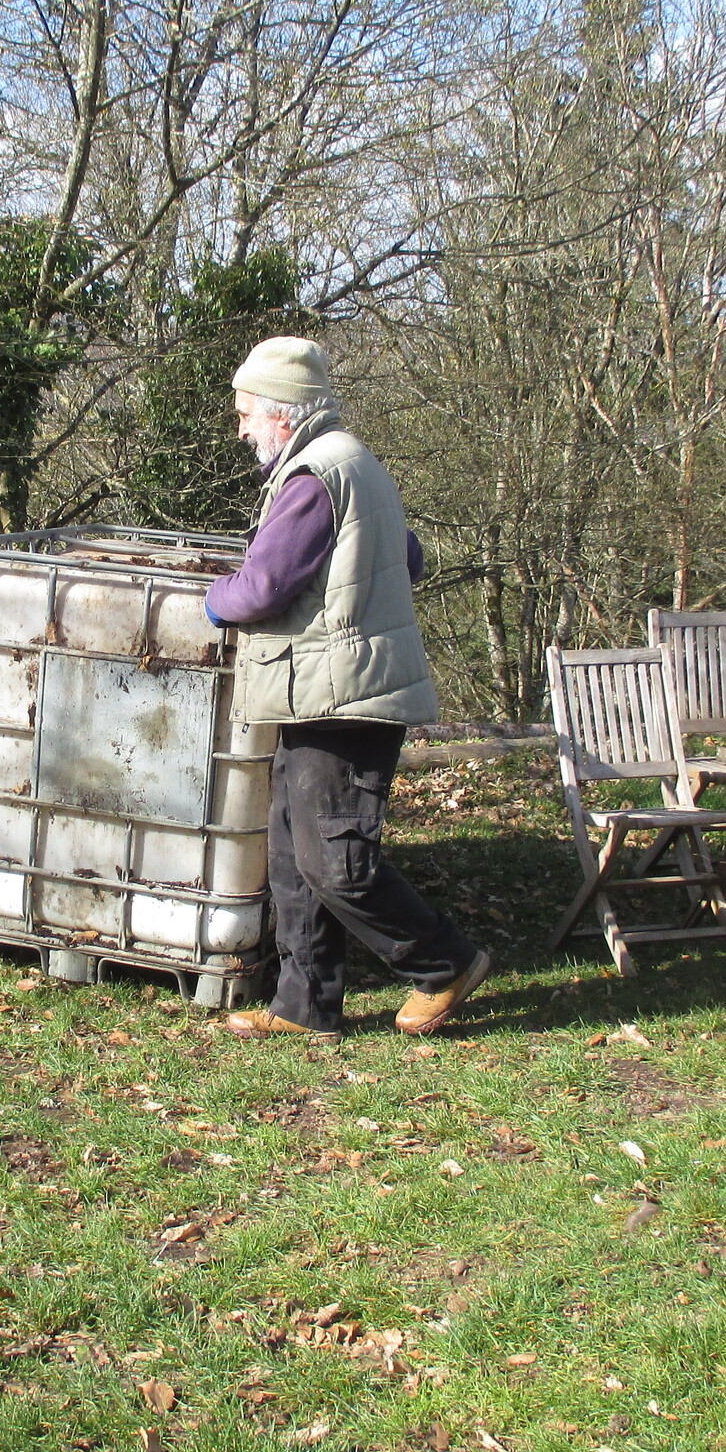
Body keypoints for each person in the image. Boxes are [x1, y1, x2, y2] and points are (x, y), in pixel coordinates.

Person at [203, 336, 491, 1041]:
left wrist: (213, 599)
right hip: (326, 690)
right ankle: (304, 1008)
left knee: (335, 861)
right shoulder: (356, 464)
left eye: (245, 414)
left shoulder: (311, 478)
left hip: (344, 697)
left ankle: (445, 964)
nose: (240, 429)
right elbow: (408, 558)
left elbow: (262, 586)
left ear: (281, 412)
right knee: (292, 857)